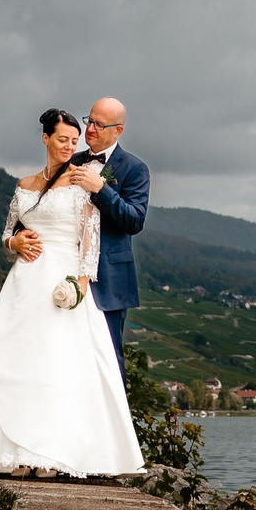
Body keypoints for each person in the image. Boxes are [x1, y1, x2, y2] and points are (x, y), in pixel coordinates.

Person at [0, 108, 144, 479]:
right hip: (25, 283)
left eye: (75, 140)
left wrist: (79, 285)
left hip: (65, 280)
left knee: (58, 366)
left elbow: (91, 242)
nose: (71, 145)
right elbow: (8, 234)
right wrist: (15, 241)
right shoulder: (25, 184)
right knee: (18, 363)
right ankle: (17, 451)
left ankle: (52, 454)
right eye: (64, 139)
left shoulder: (84, 181)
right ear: (45, 139)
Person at [73, 97, 149, 360]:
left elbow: (134, 221)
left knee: (107, 359)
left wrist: (101, 190)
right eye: (89, 120)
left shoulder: (135, 169)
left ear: (118, 130)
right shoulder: (71, 161)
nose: (90, 129)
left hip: (109, 280)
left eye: (99, 124)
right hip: (67, 269)